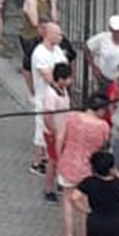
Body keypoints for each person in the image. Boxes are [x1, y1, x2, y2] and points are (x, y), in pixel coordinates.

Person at [56, 93, 112, 236]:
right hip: (88, 167)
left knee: (67, 199)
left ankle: (68, 234)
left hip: (68, 161)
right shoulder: (103, 126)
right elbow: (103, 145)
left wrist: (58, 156)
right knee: (86, 200)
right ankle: (85, 235)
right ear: (100, 109)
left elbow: (60, 138)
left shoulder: (71, 117)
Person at [30, 23, 68, 181]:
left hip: (58, 96)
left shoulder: (57, 50)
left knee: (54, 127)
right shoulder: (40, 53)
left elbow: (64, 69)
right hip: (44, 97)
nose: (60, 37)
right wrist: (57, 74)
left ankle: (46, 158)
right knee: (42, 129)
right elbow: (48, 76)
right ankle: (37, 162)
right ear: (48, 34)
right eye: (57, 34)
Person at [20, 0, 60, 96]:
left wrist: (53, 3)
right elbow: (34, 22)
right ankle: (33, 91)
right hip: (31, 35)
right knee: (29, 63)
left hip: (46, 34)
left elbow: (55, 19)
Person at [41, 63, 73, 205]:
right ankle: (48, 189)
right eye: (67, 78)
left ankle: (59, 182)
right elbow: (47, 116)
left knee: (60, 159)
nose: (70, 81)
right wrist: (55, 133)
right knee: (52, 161)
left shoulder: (63, 90)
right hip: (53, 133)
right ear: (60, 79)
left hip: (62, 131)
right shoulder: (51, 94)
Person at [86, 14, 119, 85]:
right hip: (105, 79)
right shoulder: (102, 38)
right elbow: (87, 47)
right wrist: (94, 68)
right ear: (111, 29)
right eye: (117, 31)